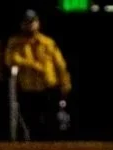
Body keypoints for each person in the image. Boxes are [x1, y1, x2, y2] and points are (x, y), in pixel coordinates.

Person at [5, 10, 70, 140]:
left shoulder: (47, 42)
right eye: (26, 23)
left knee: (50, 121)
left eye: (32, 22)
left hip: (48, 87)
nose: (30, 25)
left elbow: (60, 65)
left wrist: (65, 83)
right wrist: (33, 65)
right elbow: (10, 59)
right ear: (22, 25)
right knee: (31, 122)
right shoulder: (16, 42)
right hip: (28, 89)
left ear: (38, 23)